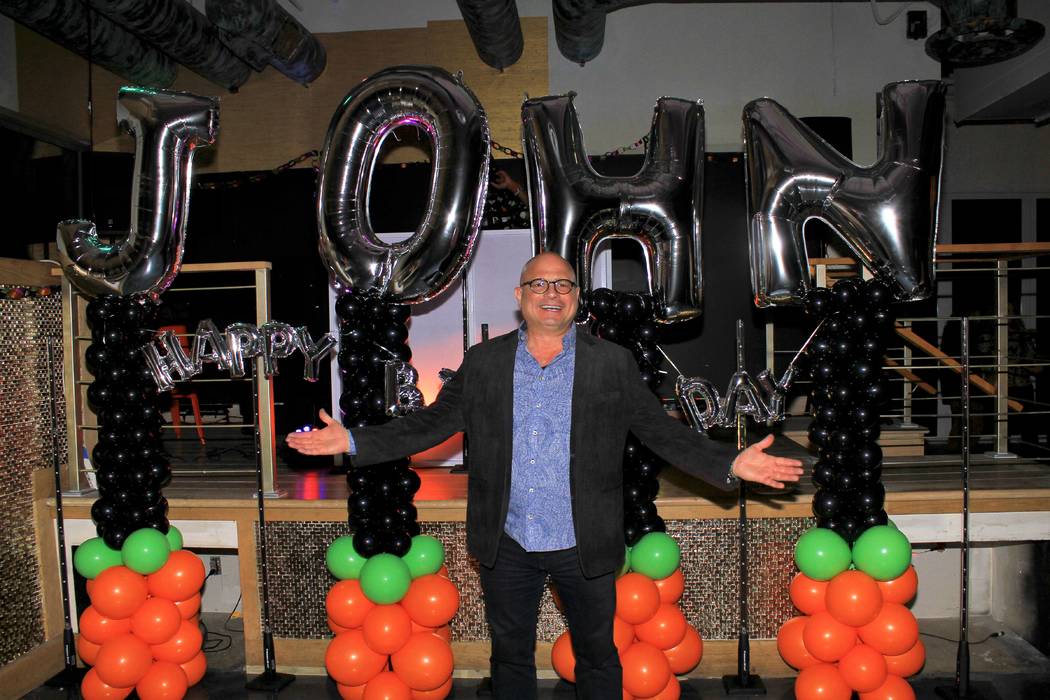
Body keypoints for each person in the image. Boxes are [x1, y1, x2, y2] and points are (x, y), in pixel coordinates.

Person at [287, 252, 803, 699]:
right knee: (509, 658)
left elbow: (658, 432)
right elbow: (432, 424)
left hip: (585, 540)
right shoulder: (484, 362)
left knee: (598, 656)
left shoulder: (613, 364)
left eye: (562, 284)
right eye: (539, 283)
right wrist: (354, 440)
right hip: (507, 541)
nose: (551, 293)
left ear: (576, 296)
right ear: (520, 295)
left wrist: (728, 461)